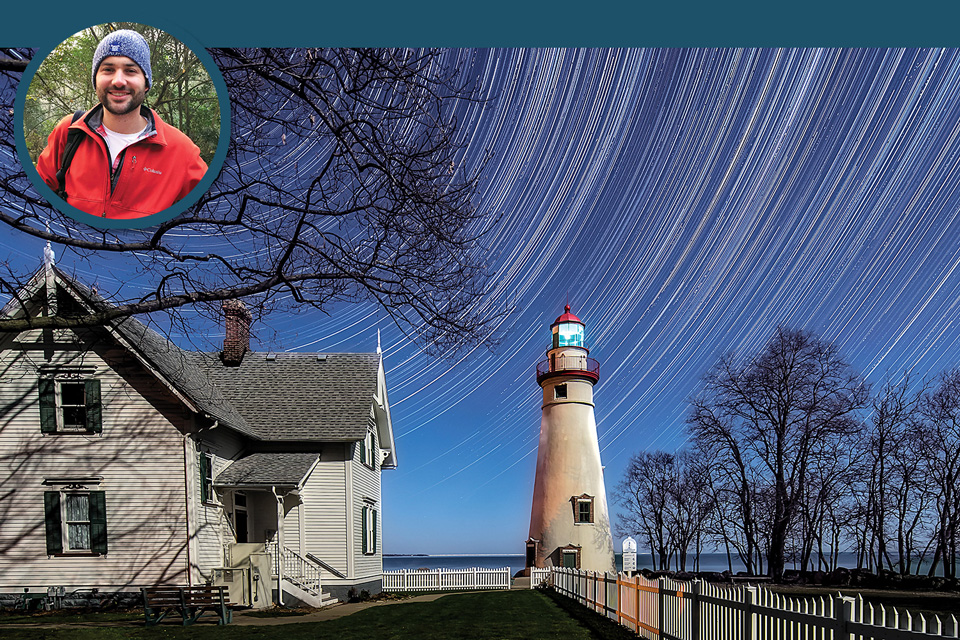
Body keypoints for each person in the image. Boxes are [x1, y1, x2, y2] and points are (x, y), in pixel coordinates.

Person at [36, 29, 208, 220]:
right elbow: (33, 196)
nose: (118, 81)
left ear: (146, 83)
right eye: (108, 69)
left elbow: (213, 215)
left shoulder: (181, 151)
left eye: (131, 70)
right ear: (95, 80)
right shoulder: (70, 131)